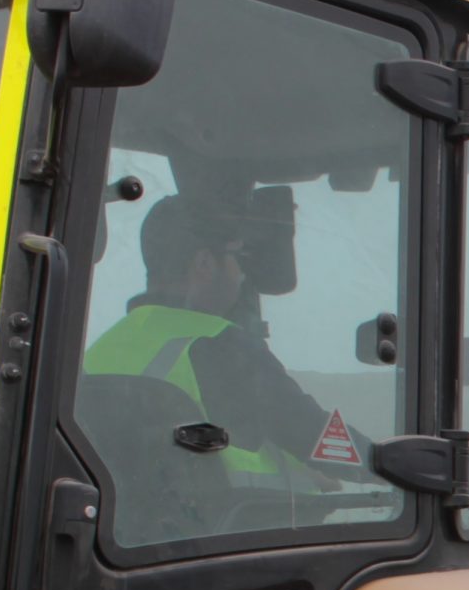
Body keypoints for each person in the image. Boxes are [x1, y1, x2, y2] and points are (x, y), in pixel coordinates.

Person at [84, 197, 360, 501]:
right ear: (204, 263)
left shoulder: (102, 349)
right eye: (236, 258)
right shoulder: (219, 344)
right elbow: (310, 434)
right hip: (233, 538)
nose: (241, 275)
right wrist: (386, 462)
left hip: (137, 534)